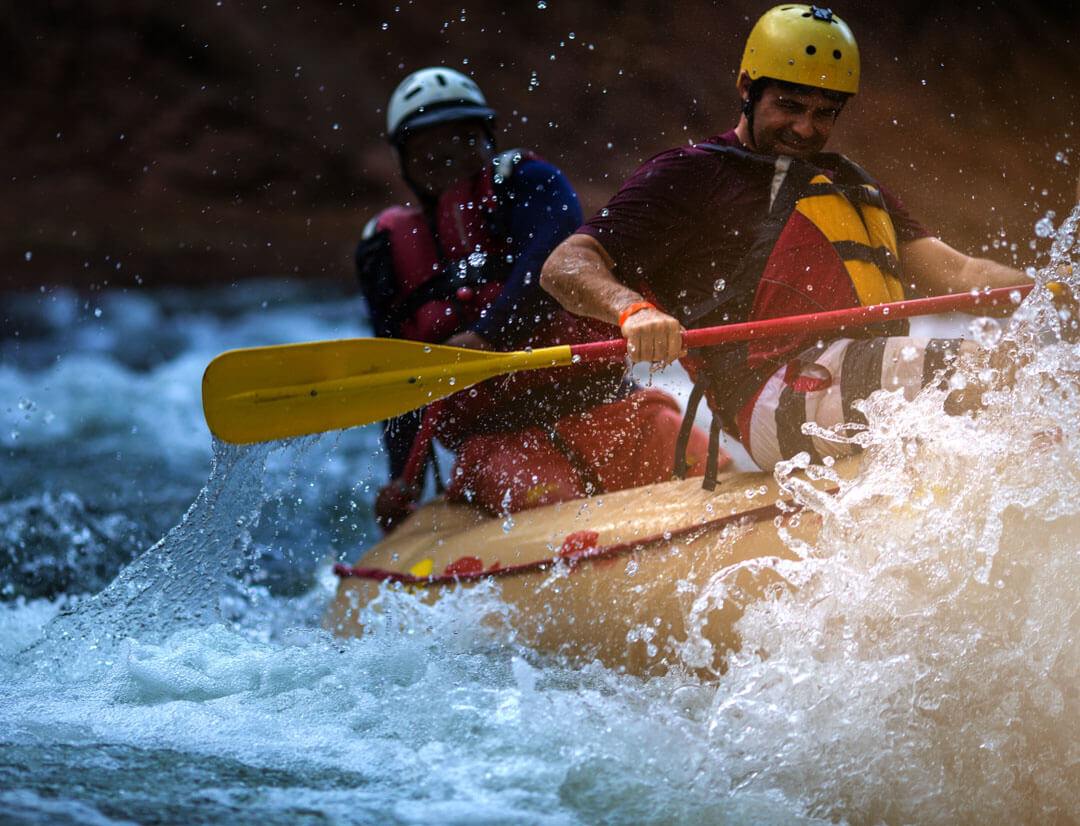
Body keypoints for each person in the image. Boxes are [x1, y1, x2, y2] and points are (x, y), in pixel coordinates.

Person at [541, 5, 1042, 474]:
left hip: (859, 378)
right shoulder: (689, 174)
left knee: (1040, 374)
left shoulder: (848, 184)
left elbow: (963, 273)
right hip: (774, 399)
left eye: (824, 113)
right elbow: (565, 264)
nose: (804, 128)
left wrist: (1050, 294)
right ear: (747, 87)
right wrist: (633, 311)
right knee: (991, 372)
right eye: (789, 105)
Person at [357, 66, 723, 530]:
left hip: (619, 411)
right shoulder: (385, 250)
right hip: (498, 443)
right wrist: (403, 479)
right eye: (428, 149)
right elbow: (401, 376)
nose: (448, 158)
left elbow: (552, 266)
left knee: (717, 476)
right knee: (559, 517)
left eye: (463, 140)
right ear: (404, 160)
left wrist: (486, 336)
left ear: (487, 140)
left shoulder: (530, 183)